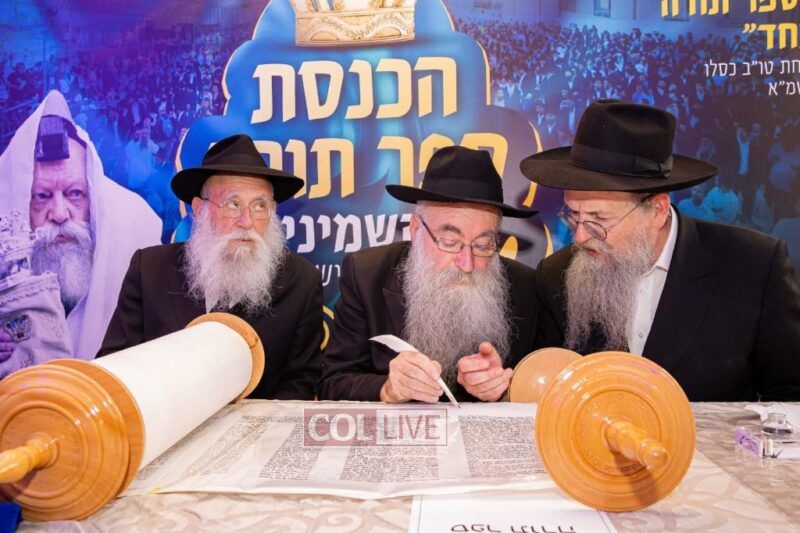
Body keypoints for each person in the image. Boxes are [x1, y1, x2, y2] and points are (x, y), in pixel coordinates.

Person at [520, 100, 800, 402]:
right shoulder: (556, 275)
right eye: (573, 216)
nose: (580, 237)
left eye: (598, 220)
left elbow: (790, 395)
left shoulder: (754, 266)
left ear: (657, 210)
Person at [98, 134, 323, 399]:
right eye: (233, 204)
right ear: (199, 209)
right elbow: (114, 365)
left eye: (260, 206)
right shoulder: (149, 270)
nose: (247, 221)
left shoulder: (301, 281)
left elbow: (302, 381)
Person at [319, 146, 540, 403]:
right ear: (416, 229)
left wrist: (503, 390)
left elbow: (542, 391)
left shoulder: (524, 286)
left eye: (482, 245)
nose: (467, 264)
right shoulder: (366, 275)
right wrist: (387, 389)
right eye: (449, 241)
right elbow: (333, 383)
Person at [0, 90, 162, 360]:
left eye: (75, 193)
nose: (59, 214)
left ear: (94, 198)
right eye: (41, 196)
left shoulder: (137, 236)